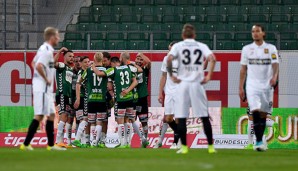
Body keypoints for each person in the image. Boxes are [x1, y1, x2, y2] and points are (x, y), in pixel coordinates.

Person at [167, 24, 217, 154]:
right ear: (194, 35)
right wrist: (209, 76)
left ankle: (184, 147)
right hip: (197, 83)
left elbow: (169, 59)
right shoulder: (201, 46)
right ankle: (211, 147)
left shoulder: (178, 46)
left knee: (181, 116)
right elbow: (212, 59)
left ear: (183, 35)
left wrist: (172, 75)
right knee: (204, 116)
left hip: (183, 84)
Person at [20, 27, 66, 151]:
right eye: (57, 36)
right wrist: (46, 79)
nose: (58, 38)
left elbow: (34, 63)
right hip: (43, 88)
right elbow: (39, 65)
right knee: (39, 115)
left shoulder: (43, 49)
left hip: (45, 88)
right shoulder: (46, 51)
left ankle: (51, 145)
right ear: (52, 37)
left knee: (51, 115)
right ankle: (25, 144)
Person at [239, 24, 279, 152]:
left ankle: (264, 135)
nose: (255, 33)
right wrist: (241, 87)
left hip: (266, 86)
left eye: (257, 31)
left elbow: (275, 64)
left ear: (263, 33)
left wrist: (274, 77)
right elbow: (243, 69)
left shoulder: (271, 49)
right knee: (254, 112)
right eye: (253, 31)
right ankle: (259, 142)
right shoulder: (246, 49)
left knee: (262, 115)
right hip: (252, 86)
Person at [92, 57, 138, 148]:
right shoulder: (129, 68)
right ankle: (128, 143)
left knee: (120, 121)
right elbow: (135, 81)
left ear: (114, 63)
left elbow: (99, 73)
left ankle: (122, 143)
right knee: (127, 120)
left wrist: (93, 66)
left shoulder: (113, 70)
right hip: (130, 98)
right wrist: (128, 90)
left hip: (120, 98)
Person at [77, 52, 108, 147]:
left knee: (92, 121)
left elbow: (79, 82)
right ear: (102, 60)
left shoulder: (88, 70)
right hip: (101, 99)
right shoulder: (106, 70)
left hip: (91, 99)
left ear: (94, 59)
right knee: (99, 121)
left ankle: (89, 141)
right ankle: (95, 141)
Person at [155, 41, 179, 149]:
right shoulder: (166, 59)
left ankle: (176, 142)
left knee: (178, 118)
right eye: (169, 50)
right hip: (169, 93)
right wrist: (160, 92)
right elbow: (163, 76)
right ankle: (180, 134)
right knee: (168, 118)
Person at [120, 52, 147, 147]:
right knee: (131, 118)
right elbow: (139, 70)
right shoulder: (132, 67)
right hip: (133, 95)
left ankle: (127, 142)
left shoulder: (123, 68)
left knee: (126, 119)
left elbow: (140, 71)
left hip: (127, 95)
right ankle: (141, 138)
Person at [55, 49, 74, 147]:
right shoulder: (62, 66)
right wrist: (60, 51)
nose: (72, 58)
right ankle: (58, 141)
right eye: (70, 56)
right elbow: (53, 63)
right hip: (62, 94)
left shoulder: (70, 69)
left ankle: (62, 141)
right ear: (64, 57)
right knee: (63, 116)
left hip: (68, 95)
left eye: (73, 56)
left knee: (66, 117)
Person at [72, 56, 90, 147]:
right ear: (82, 63)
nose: (87, 64)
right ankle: (78, 139)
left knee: (82, 120)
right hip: (83, 98)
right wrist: (78, 99)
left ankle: (82, 141)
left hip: (82, 98)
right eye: (85, 62)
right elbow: (78, 85)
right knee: (85, 119)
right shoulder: (82, 73)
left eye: (88, 62)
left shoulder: (85, 72)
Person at [134, 53, 151, 140]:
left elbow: (149, 62)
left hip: (142, 98)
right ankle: (129, 140)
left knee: (144, 121)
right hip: (132, 98)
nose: (139, 61)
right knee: (131, 120)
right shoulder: (131, 69)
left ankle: (145, 139)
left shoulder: (145, 69)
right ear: (134, 60)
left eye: (141, 59)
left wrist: (141, 54)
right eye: (138, 59)